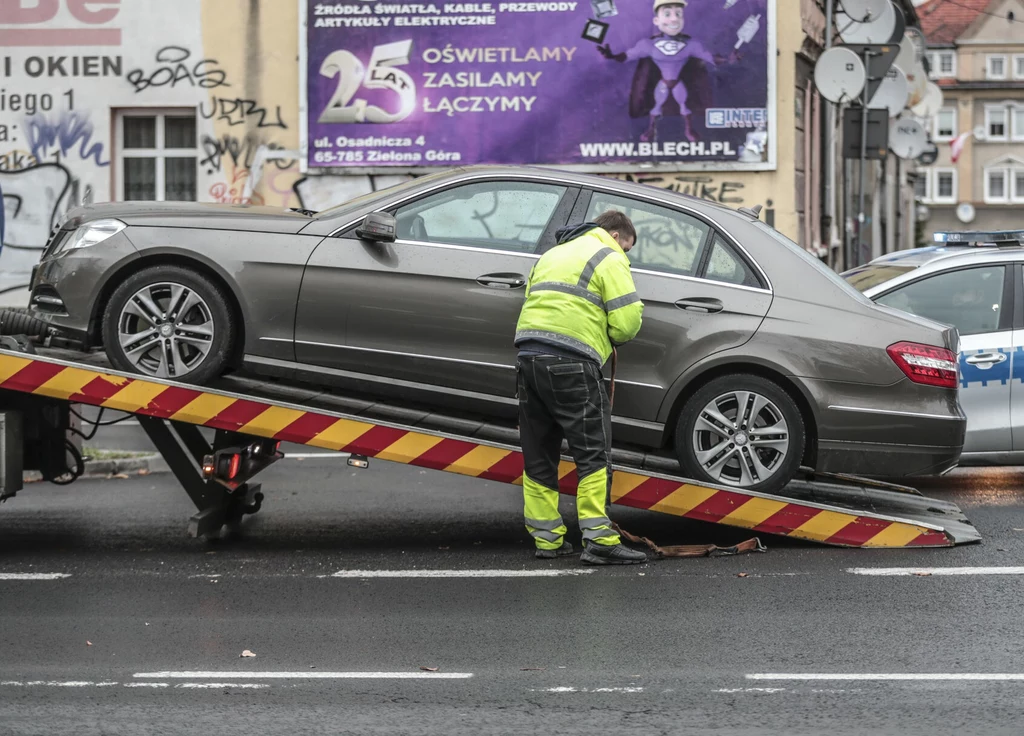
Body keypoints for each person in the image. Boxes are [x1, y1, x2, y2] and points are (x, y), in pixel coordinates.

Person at [514, 210, 647, 566]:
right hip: (572, 363)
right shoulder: (609, 255)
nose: (627, 254)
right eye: (629, 247)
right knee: (592, 453)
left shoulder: (552, 254)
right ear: (617, 235)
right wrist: (609, 336)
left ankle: (547, 540)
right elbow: (627, 322)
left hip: (528, 358)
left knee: (539, 452)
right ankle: (600, 539)